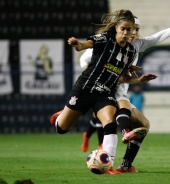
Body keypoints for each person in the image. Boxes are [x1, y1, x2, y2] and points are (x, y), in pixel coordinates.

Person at [80, 15, 170, 172]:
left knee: (144, 124)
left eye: (136, 29)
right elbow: (85, 57)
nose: (133, 33)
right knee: (116, 114)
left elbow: (158, 36)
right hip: (107, 89)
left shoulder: (137, 45)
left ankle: (126, 164)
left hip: (121, 88)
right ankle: (122, 140)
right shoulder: (111, 42)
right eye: (130, 29)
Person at [49, 9, 157, 174]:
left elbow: (122, 78)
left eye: (130, 29)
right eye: (124, 29)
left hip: (104, 93)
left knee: (110, 124)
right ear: (116, 28)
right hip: (85, 88)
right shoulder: (105, 39)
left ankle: (109, 166)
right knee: (62, 129)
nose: (127, 33)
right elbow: (86, 45)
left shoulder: (130, 51)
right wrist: (78, 45)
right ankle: (60, 116)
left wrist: (139, 80)